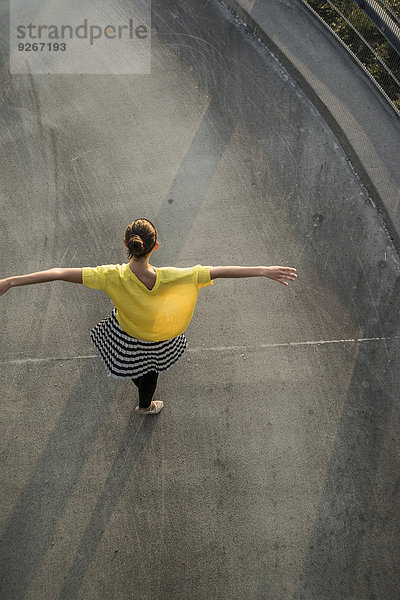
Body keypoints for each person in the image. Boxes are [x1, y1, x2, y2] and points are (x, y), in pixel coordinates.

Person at [0, 218, 297, 415]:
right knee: (151, 371)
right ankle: (145, 406)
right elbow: (219, 271)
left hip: (126, 336)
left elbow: (57, 274)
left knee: (133, 367)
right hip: (158, 339)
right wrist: (263, 270)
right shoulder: (175, 276)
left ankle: (141, 389)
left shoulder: (109, 276)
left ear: (126, 245)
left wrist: (11, 281)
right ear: (155, 247)